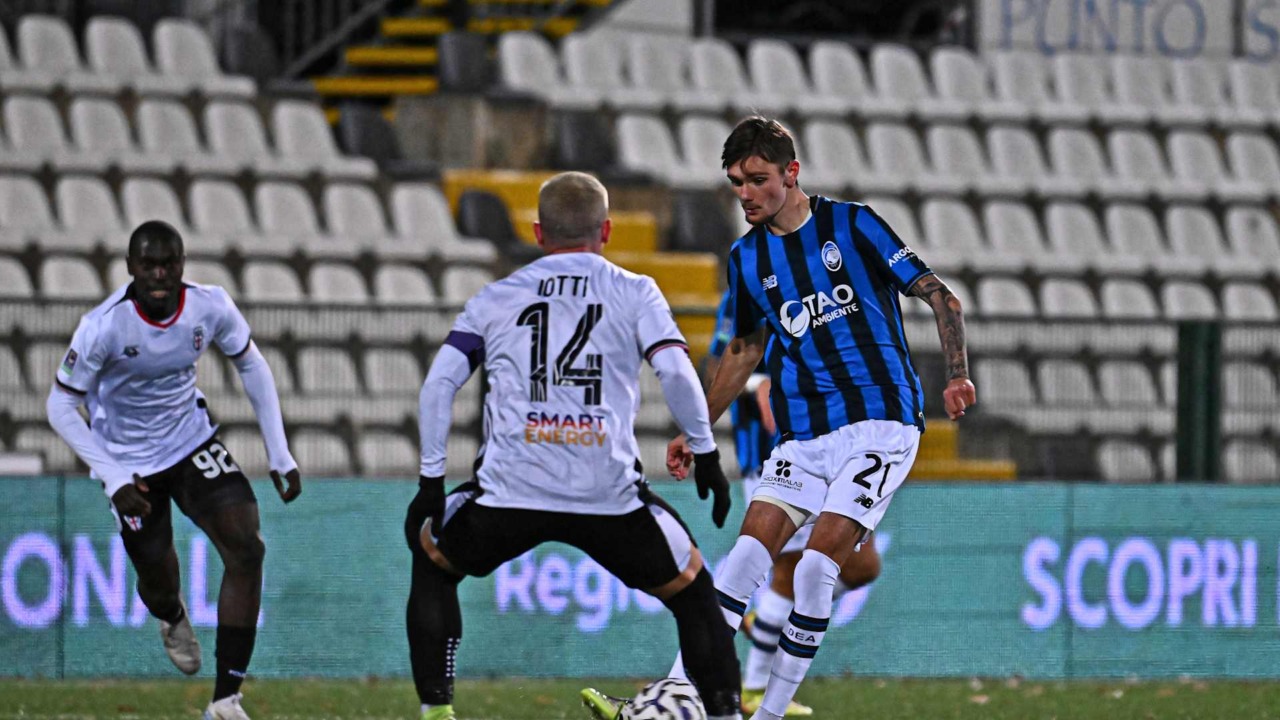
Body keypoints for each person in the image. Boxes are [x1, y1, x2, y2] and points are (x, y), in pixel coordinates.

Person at [666, 117, 976, 720]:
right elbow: (743, 351)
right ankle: (671, 699)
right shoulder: (747, 256)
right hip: (805, 434)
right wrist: (696, 429)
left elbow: (941, 295)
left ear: (792, 172)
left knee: (815, 567)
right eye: (736, 183)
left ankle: (771, 713)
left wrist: (957, 373)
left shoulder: (853, 225)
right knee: (745, 559)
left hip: (883, 424)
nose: (746, 194)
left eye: (757, 179)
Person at [404, 171, 742, 720]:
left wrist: (429, 481)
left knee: (434, 560)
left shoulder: (498, 296)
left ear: (538, 232)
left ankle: (437, 714)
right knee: (693, 591)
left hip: (509, 492)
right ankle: (725, 714)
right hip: (606, 494)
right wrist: (705, 453)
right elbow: (676, 371)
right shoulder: (635, 290)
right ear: (606, 231)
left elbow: (440, 382)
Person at [46, 221, 302, 720]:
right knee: (159, 581)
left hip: (190, 442)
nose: (160, 274)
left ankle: (226, 700)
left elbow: (251, 364)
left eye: (169, 263)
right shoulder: (103, 326)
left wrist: (280, 452)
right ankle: (171, 615)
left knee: (246, 545)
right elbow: (59, 405)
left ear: (182, 264)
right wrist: (112, 476)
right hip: (129, 464)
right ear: (130, 268)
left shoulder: (209, 305)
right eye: (149, 265)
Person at [706, 290, 883, 718]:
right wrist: (757, 383)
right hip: (774, 455)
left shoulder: (837, 285)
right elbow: (715, 362)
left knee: (858, 565)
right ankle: (751, 684)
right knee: (791, 569)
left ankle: (764, 628)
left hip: (838, 448)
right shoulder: (749, 287)